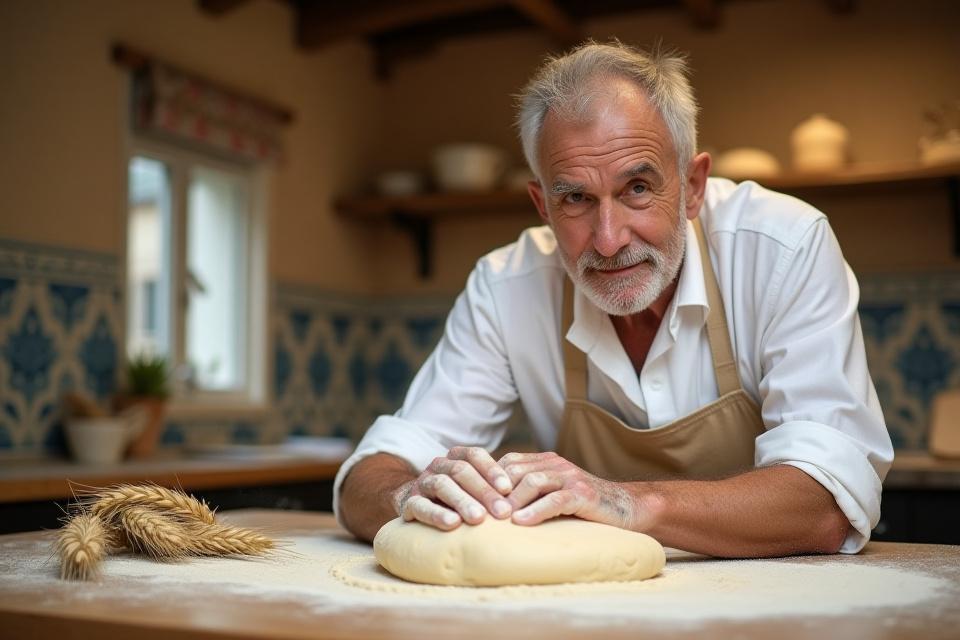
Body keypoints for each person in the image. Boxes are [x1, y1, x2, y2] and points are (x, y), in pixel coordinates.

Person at [334, 40, 892, 558]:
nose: (608, 239)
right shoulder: (507, 287)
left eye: (638, 189)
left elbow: (827, 502)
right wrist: (411, 493)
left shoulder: (781, 248)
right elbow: (367, 477)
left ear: (693, 186)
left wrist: (625, 501)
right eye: (575, 197)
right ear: (542, 206)